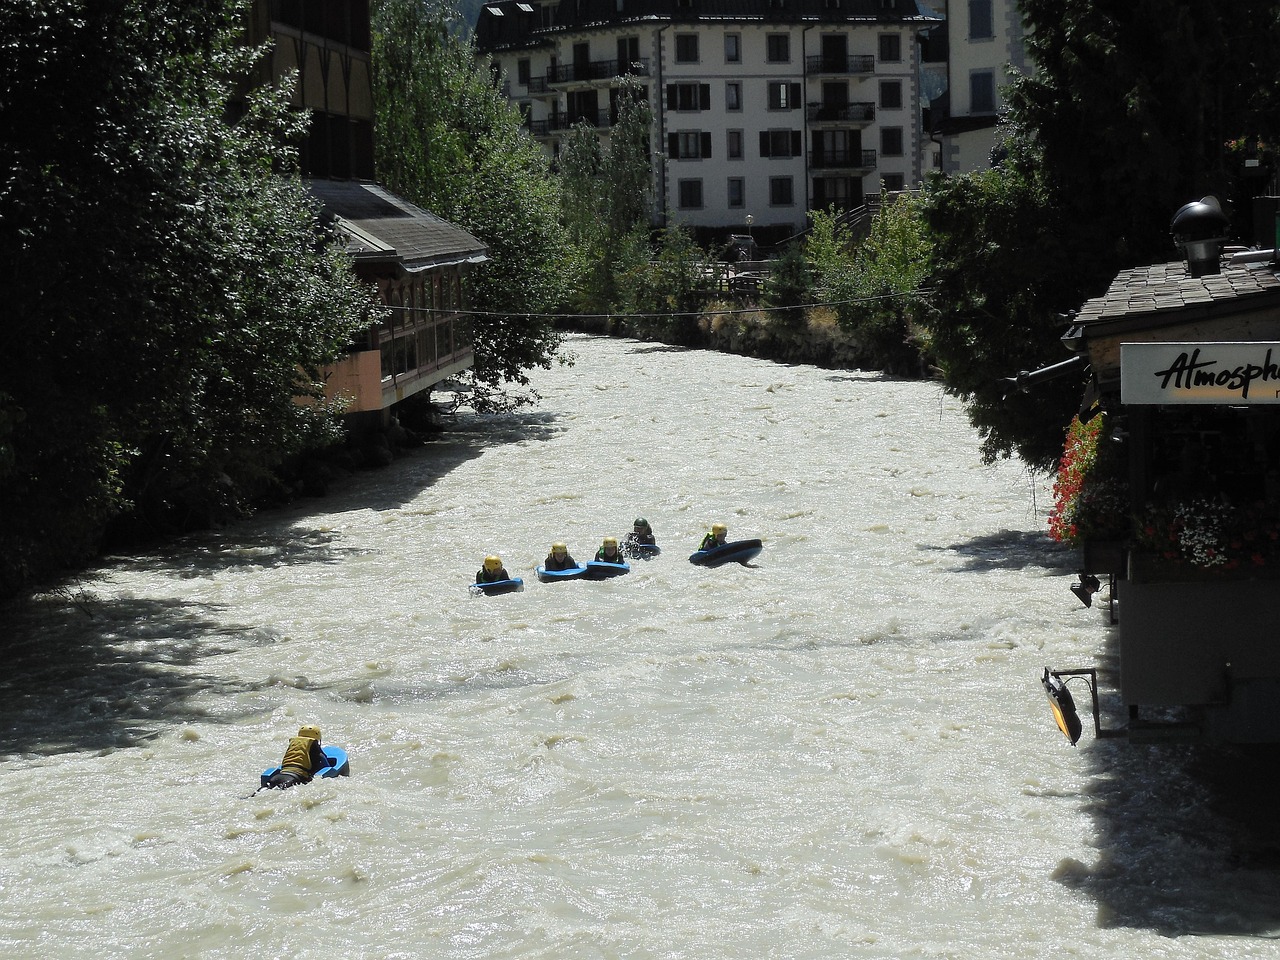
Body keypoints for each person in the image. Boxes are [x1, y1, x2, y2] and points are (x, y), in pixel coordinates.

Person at [265, 724, 327, 790]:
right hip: (295, 778)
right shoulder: (312, 743)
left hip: (279, 775)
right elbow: (323, 760)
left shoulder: (293, 743)